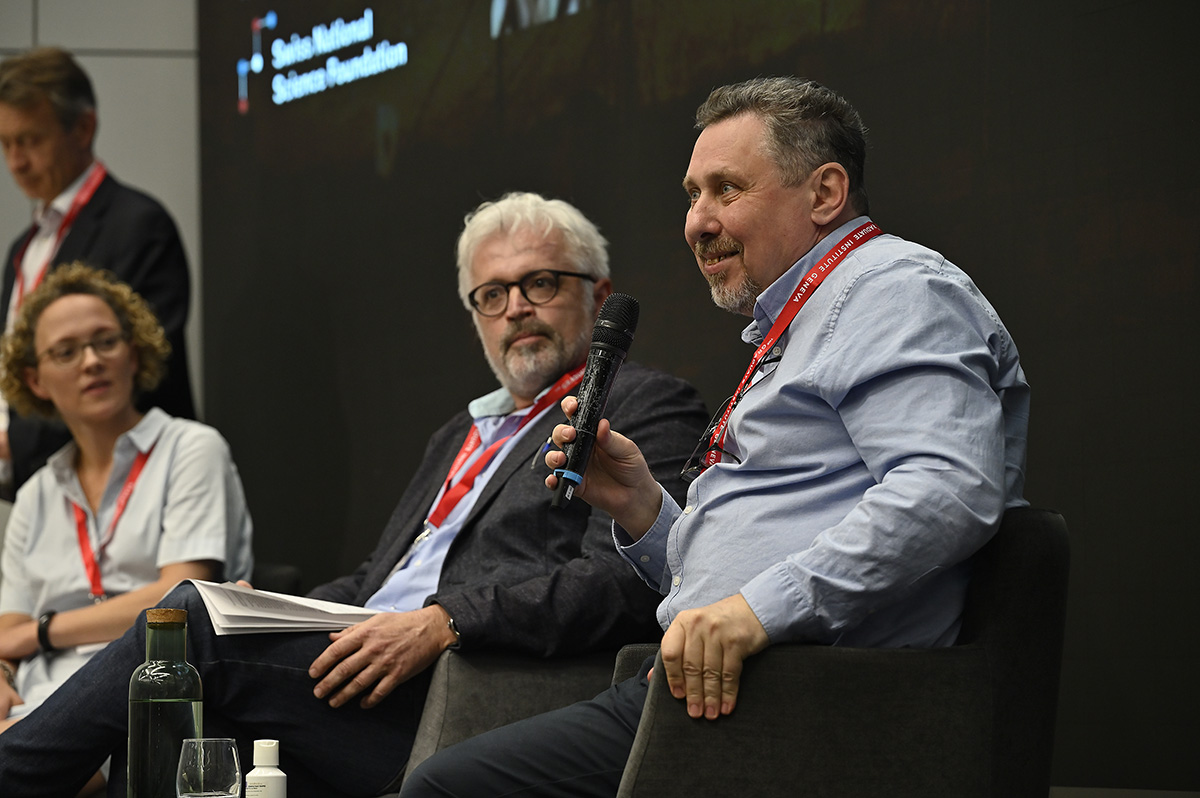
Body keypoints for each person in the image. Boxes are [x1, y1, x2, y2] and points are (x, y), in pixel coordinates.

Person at [399, 77, 1031, 797]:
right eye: (692, 195)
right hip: (711, 688)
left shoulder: (893, 290)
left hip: (807, 702)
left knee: (444, 790)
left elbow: (951, 490)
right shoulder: (798, 322)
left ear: (825, 192)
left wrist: (756, 613)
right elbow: (741, 568)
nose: (696, 222)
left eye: (726, 190)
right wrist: (641, 507)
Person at [0, 192, 708, 798]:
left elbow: (622, 581)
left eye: (541, 283)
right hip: (364, 658)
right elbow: (375, 580)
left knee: (183, 621)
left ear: (599, 297)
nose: (515, 308)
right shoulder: (461, 432)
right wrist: (264, 611)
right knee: (191, 688)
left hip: (465, 677)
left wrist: (446, 620)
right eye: (492, 295)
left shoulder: (640, 403)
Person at [0, 265, 253, 792]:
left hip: (143, 705)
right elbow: (9, 631)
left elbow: (178, 599)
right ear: (35, 380)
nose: (91, 360)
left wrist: (41, 632)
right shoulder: (35, 494)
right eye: (66, 351)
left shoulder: (191, 448)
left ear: (133, 353)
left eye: (106, 341)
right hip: (35, 704)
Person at [0, 46, 195, 495]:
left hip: (132, 486)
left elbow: (135, 376)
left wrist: (14, 445)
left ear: (83, 128)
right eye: (6, 144)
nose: (16, 162)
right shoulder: (23, 249)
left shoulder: (139, 226)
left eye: (30, 140)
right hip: (38, 489)